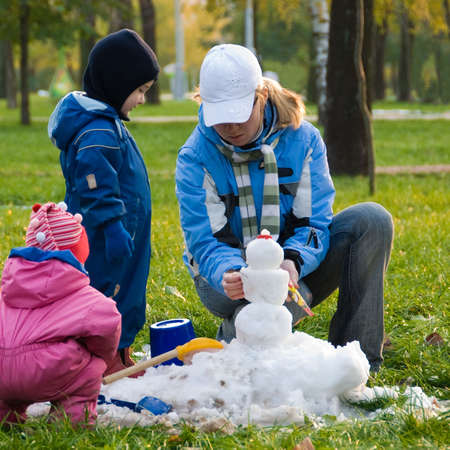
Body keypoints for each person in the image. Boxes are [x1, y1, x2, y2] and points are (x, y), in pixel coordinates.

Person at [175, 44, 394, 372]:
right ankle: (241, 340)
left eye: (239, 114)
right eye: (220, 118)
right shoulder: (195, 156)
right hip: (223, 280)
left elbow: (314, 223)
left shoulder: (303, 139)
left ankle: (356, 362)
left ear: (261, 96)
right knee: (282, 303)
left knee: (372, 221)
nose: (231, 128)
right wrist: (231, 272)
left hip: (294, 266)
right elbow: (205, 241)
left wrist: (292, 262)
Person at [48, 29, 160, 376]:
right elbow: (96, 185)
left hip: (126, 230)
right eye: (139, 91)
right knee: (107, 292)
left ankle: (120, 349)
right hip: (104, 235)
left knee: (128, 289)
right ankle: (102, 356)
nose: (141, 99)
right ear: (116, 84)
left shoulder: (107, 123)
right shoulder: (97, 132)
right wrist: (112, 226)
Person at [0, 202, 121, 427]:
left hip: (1, 373)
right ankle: (69, 419)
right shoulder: (85, 297)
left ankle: (6, 417)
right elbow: (109, 323)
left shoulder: (7, 288)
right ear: (78, 254)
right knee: (91, 367)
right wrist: (101, 358)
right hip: (45, 373)